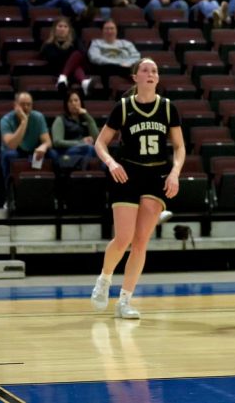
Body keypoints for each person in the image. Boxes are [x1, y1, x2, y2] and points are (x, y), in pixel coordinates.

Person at [90, 58, 185, 320]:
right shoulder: (123, 107)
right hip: (127, 174)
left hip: (156, 176)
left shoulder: (167, 108)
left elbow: (179, 146)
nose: (151, 73)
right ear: (136, 78)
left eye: (155, 70)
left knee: (141, 241)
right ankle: (104, 279)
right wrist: (111, 163)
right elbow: (100, 143)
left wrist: (175, 173)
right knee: (124, 239)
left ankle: (125, 301)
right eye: (145, 70)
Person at [0, 92, 56, 189]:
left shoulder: (38, 117)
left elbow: (48, 142)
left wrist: (44, 146)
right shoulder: (6, 120)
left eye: (29, 104)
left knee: (54, 155)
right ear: (15, 105)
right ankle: (8, 194)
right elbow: (12, 145)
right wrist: (24, 122)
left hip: (34, 150)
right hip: (16, 151)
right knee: (8, 156)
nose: (26, 107)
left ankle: (56, 193)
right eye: (22, 104)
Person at [41, 16, 92, 95]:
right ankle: (84, 81)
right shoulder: (48, 45)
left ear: (69, 30)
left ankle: (63, 77)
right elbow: (53, 60)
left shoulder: (75, 42)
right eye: (60, 26)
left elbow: (83, 54)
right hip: (57, 71)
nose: (62, 29)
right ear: (55, 29)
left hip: (71, 75)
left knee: (77, 55)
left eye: (65, 26)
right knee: (76, 65)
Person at [88, 18, 142, 89]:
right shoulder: (96, 43)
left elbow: (136, 56)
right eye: (106, 29)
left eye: (112, 28)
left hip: (126, 67)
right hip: (106, 67)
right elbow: (94, 57)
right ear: (102, 31)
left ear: (116, 30)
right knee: (107, 68)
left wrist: (127, 63)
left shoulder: (126, 44)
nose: (109, 31)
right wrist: (118, 63)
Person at [51, 90, 100, 163]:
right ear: (66, 105)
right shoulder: (60, 119)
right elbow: (57, 142)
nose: (73, 103)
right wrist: (81, 142)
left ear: (81, 102)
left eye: (76, 100)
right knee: (89, 149)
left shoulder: (85, 119)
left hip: (85, 149)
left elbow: (96, 138)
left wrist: (88, 117)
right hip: (67, 151)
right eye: (70, 101)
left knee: (99, 150)